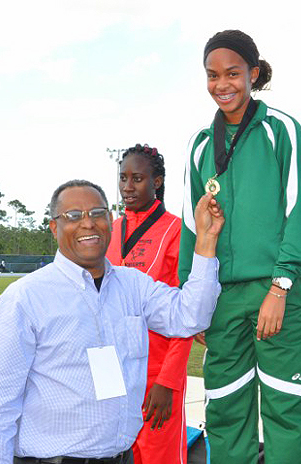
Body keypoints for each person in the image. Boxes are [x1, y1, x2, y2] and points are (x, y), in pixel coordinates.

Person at [0, 180, 224, 464]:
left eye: (97, 213)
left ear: (110, 222)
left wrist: (206, 241)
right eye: (73, 216)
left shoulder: (133, 286)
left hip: (121, 457)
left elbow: (190, 316)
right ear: (55, 228)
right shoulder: (24, 299)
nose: (88, 223)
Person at [179, 29, 301, 464]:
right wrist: (196, 300)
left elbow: (299, 215)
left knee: (289, 408)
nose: (222, 84)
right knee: (225, 410)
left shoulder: (283, 131)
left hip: (279, 294)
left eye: (233, 73)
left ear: (253, 74)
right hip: (222, 299)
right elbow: (191, 226)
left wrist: (279, 288)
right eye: (212, 75)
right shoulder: (200, 144)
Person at [105, 144, 190, 464]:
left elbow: (185, 314)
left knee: (158, 456)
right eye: (123, 178)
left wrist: (167, 382)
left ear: (157, 182)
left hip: (157, 375)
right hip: (114, 373)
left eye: (137, 178)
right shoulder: (110, 230)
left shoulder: (176, 230)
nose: (127, 187)